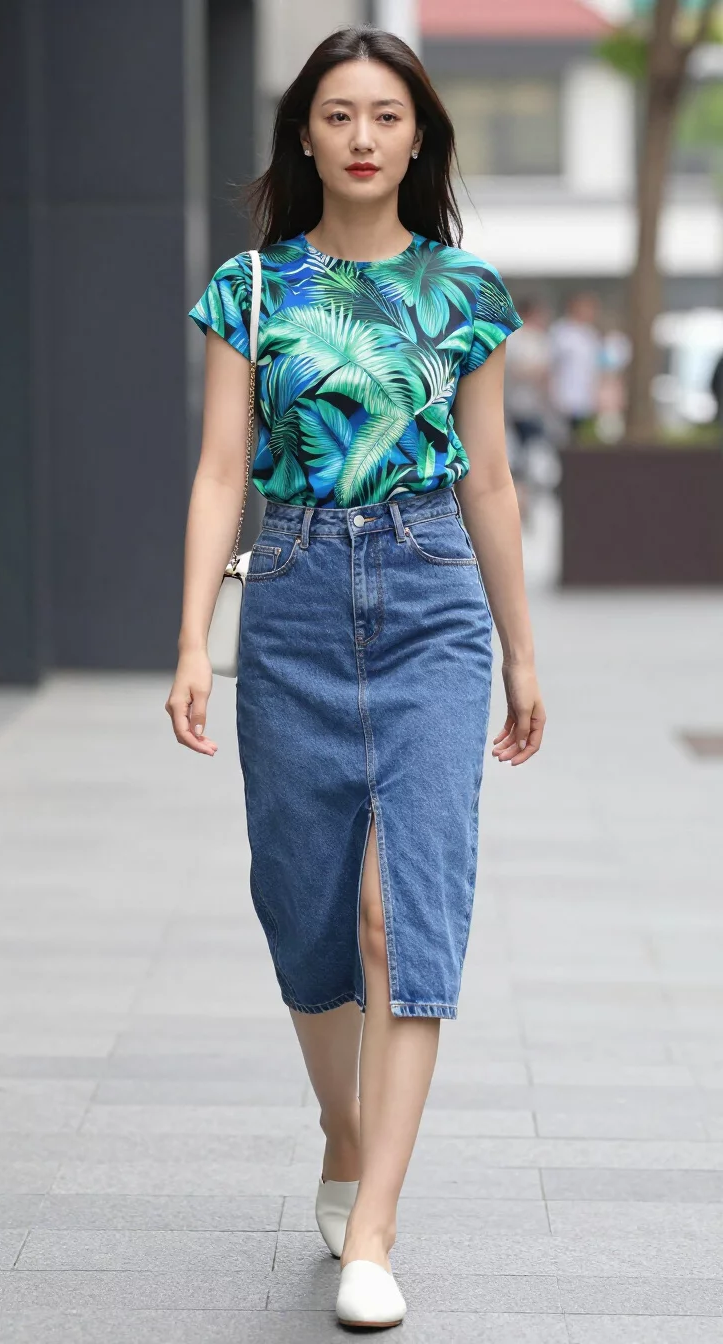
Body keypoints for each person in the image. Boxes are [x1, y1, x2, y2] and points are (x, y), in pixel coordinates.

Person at [165, 24, 546, 1331]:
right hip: (294, 600)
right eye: (340, 114)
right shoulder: (253, 292)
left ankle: (375, 1227)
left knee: (404, 910)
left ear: (421, 135)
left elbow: (491, 479)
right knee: (309, 905)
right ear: (308, 134)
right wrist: (187, 646)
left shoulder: (465, 291)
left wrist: (522, 655)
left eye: (388, 114)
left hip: (436, 594)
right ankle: (344, 1128)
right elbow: (223, 472)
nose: (366, 136)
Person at [503, 296, 552, 520]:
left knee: (530, 460)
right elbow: (519, 370)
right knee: (520, 462)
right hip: (516, 409)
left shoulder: (537, 339)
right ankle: (521, 504)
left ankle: (526, 503)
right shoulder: (516, 339)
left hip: (531, 408)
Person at [548, 291, 604, 437]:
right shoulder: (561, 332)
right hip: (563, 397)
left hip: (585, 398)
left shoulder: (591, 334)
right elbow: (550, 364)